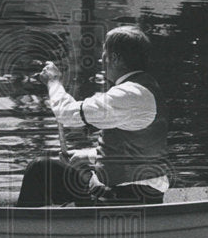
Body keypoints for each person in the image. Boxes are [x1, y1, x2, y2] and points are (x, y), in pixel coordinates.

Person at [16, 25, 169, 207]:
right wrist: (86, 155)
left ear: (115, 58)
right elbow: (135, 149)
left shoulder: (128, 95)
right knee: (45, 168)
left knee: (38, 170)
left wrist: (53, 81)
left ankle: (22, 229)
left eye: (104, 52)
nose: (101, 58)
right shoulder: (144, 88)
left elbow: (67, 114)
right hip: (139, 192)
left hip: (126, 197)